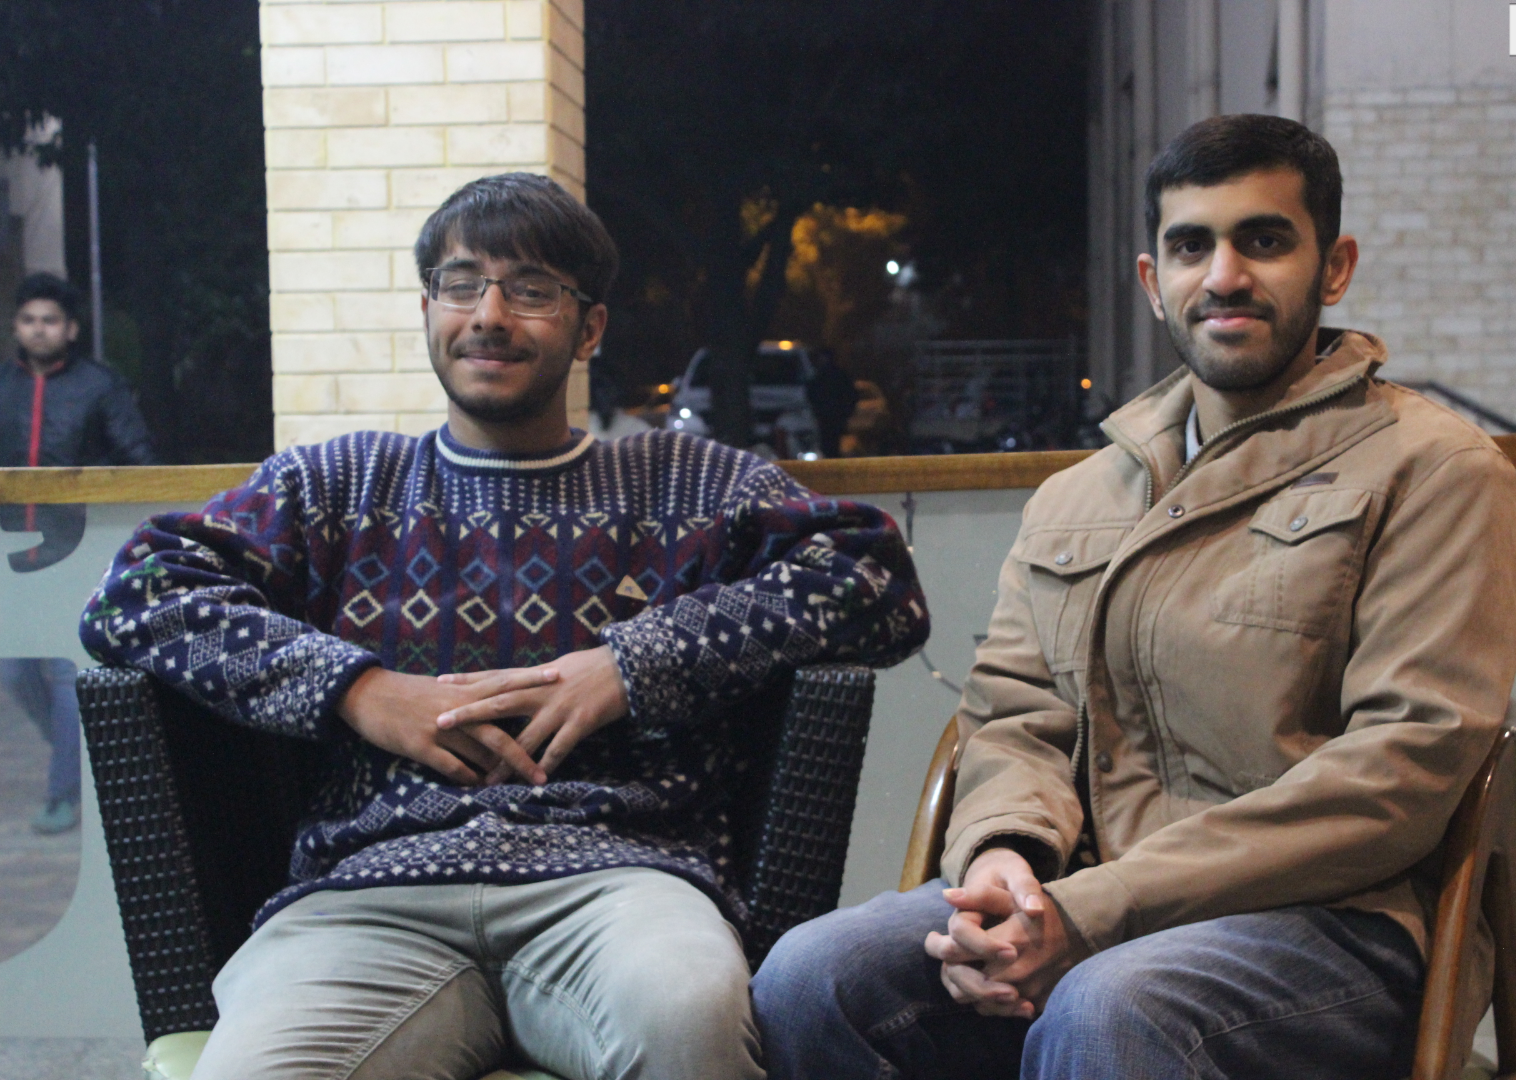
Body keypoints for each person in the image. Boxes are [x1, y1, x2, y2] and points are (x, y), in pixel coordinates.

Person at [80, 173, 928, 1080]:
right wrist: (358, 690)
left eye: (530, 290)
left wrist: (632, 665)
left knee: (690, 1025)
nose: (489, 315)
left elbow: (879, 580)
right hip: (370, 895)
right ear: (427, 310)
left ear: (589, 328)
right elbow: (134, 592)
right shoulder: (335, 486)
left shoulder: (688, 485)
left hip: (622, 886)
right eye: (462, 284)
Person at [753, 114, 1516, 1080]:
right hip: (1085, 897)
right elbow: (1015, 720)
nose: (1225, 276)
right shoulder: (1080, 495)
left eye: (1265, 240)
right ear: (1154, 280)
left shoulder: (1435, 470)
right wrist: (1004, 862)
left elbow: (1400, 771)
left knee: (1107, 1007)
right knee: (812, 978)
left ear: (1334, 269)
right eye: (1192, 246)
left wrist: (1094, 911)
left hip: (1338, 927)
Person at [2, 272, 155, 833]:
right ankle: (75, 752)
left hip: (79, 553)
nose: (39, 330)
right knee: (14, 672)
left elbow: (140, 463)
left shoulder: (100, 387)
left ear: (69, 329)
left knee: (70, 676)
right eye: (29, 320)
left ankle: (63, 793)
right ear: (17, 327)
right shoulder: (3, 386)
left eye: (50, 320)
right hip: (13, 558)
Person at [807, 348, 859, 457]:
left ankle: (831, 456)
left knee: (831, 440)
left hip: (833, 414)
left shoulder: (829, 375)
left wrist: (846, 410)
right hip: (830, 415)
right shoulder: (827, 375)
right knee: (829, 440)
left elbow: (851, 394)